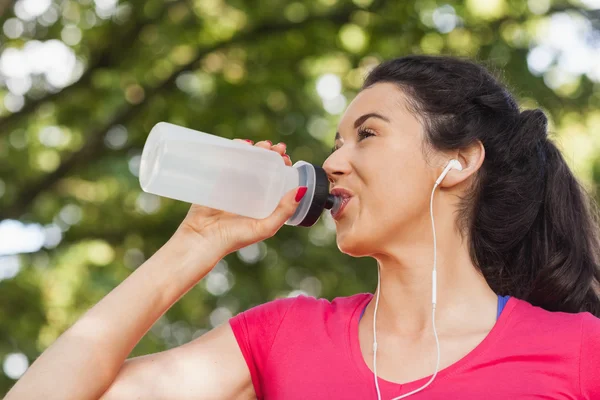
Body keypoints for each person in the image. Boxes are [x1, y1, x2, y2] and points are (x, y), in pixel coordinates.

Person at [7, 55, 600, 400]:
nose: (334, 162)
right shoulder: (283, 335)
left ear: (460, 161)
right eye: (337, 142)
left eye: (367, 134)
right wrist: (196, 243)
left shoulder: (577, 352)